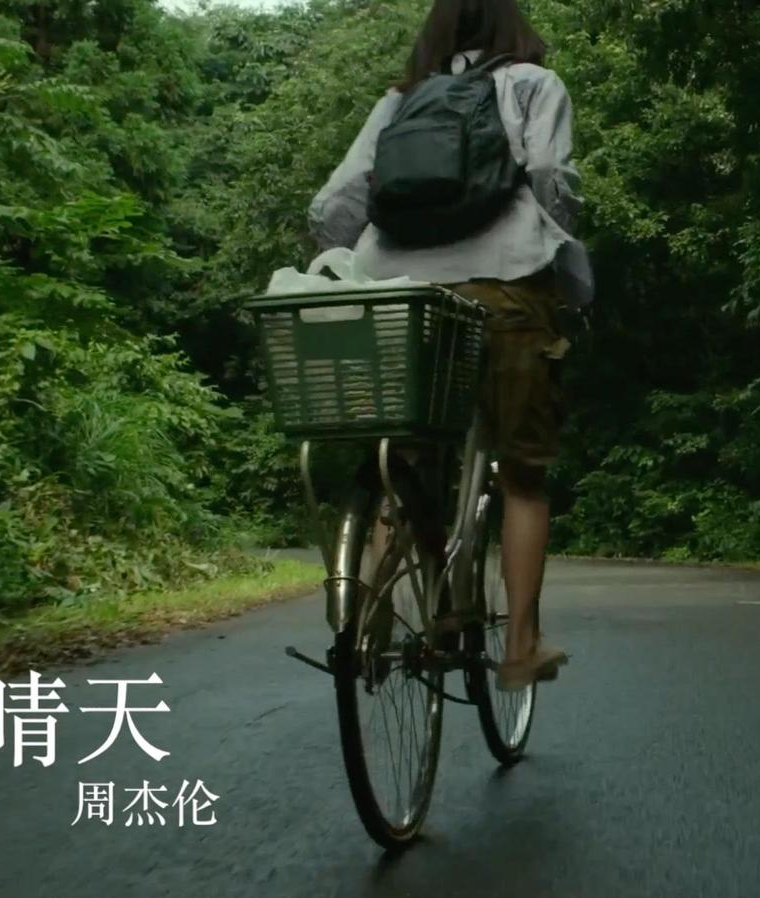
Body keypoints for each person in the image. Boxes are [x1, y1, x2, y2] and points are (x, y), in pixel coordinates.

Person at [306, 0, 592, 691]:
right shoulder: (531, 85)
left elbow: (333, 204)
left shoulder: (399, 102)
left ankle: (375, 613)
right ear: (512, 25)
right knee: (523, 473)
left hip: (400, 294)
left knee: (403, 463)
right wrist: (567, 266)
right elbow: (553, 181)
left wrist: (344, 267)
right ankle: (520, 646)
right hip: (507, 287)